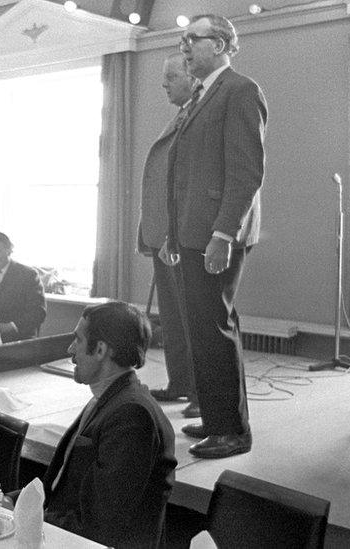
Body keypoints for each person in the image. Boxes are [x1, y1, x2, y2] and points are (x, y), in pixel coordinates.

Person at [165, 14, 267, 459]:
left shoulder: (240, 90)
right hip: (192, 233)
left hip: (217, 234)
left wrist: (224, 233)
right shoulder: (202, 96)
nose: (185, 45)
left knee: (214, 330)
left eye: (195, 38)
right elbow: (184, 175)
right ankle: (217, 415)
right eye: (184, 38)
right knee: (203, 330)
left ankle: (232, 432)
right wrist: (173, 232)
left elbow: (246, 171)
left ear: (222, 43)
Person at [39, 301, 176, 548]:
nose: (71, 350)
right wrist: (9, 504)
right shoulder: (112, 399)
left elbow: (101, 525)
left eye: (78, 340)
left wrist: (30, 519)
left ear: (101, 349)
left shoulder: (133, 415)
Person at [137, 52, 199, 419]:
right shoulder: (181, 114)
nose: (163, 84)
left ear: (192, 78)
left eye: (171, 77)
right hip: (165, 235)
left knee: (194, 320)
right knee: (173, 317)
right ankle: (180, 383)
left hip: (183, 235)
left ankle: (201, 394)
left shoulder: (198, 115)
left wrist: (174, 233)